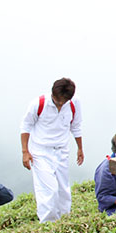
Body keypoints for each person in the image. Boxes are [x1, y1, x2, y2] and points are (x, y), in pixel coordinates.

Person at [20, 77, 84, 222]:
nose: (60, 104)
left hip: (61, 150)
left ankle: (64, 221)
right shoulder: (38, 103)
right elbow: (25, 126)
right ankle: (48, 224)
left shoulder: (74, 103)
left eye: (63, 102)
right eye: (57, 101)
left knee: (63, 190)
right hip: (40, 151)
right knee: (48, 190)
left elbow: (76, 125)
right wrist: (25, 152)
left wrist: (80, 148)